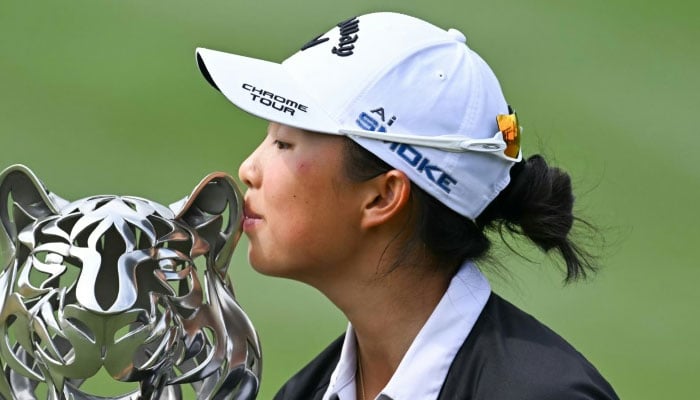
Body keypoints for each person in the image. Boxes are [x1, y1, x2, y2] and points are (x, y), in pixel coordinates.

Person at [195, 11, 618, 400]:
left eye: (284, 143)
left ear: (383, 196)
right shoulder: (304, 392)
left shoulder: (545, 396)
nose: (249, 168)